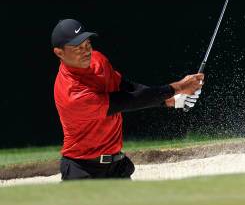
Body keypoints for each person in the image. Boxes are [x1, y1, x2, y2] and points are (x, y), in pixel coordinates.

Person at [51, 18, 204, 181]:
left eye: (87, 44)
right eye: (78, 48)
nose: (86, 51)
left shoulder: (97, 60)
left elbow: (127, 88)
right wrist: (178, 87)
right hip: (82, 170)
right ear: (59, 52)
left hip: (116, 166)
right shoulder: (71, 93)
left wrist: (168, 100)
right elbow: (127, 101)